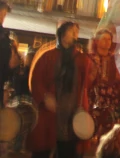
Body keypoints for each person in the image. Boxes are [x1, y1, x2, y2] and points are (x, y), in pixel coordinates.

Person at [27, 20, 91, 158]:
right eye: (72, 31)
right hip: (50, 112)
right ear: (62, 34)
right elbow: (36, 81)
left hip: (71, 113)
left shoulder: (82, 59)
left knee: (68, 151)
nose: (75, 34)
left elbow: (87, 84)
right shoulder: (47, 56)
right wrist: (45, 97)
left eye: (77, 32)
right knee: (43, 149)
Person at [87, 27, 120, 148]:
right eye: (104, 39)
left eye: (109, 39)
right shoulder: (89, 58)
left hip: (110, 99)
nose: (107, 42)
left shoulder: (114, 59)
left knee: (109, 133)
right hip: (94, 98)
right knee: (91, 129)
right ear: (96, 41)